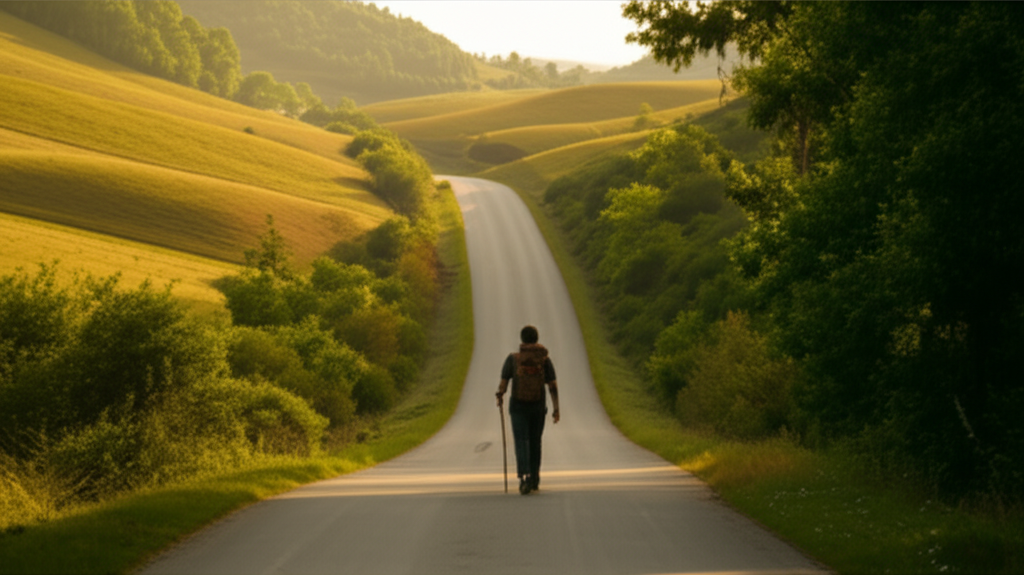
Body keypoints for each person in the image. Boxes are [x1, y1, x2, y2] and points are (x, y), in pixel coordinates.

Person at [496, 325, 560, 495]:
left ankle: (524, 478)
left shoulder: (513, 359)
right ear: (537, 339)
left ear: (522, 340)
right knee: (535, 440)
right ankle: (535, 478)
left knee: (521, 440)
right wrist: (556, 408)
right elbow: (552, 385)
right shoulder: (544, 359)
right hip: (538, 406)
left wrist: (500, 395)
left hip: (517, 406)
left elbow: (503, 383)